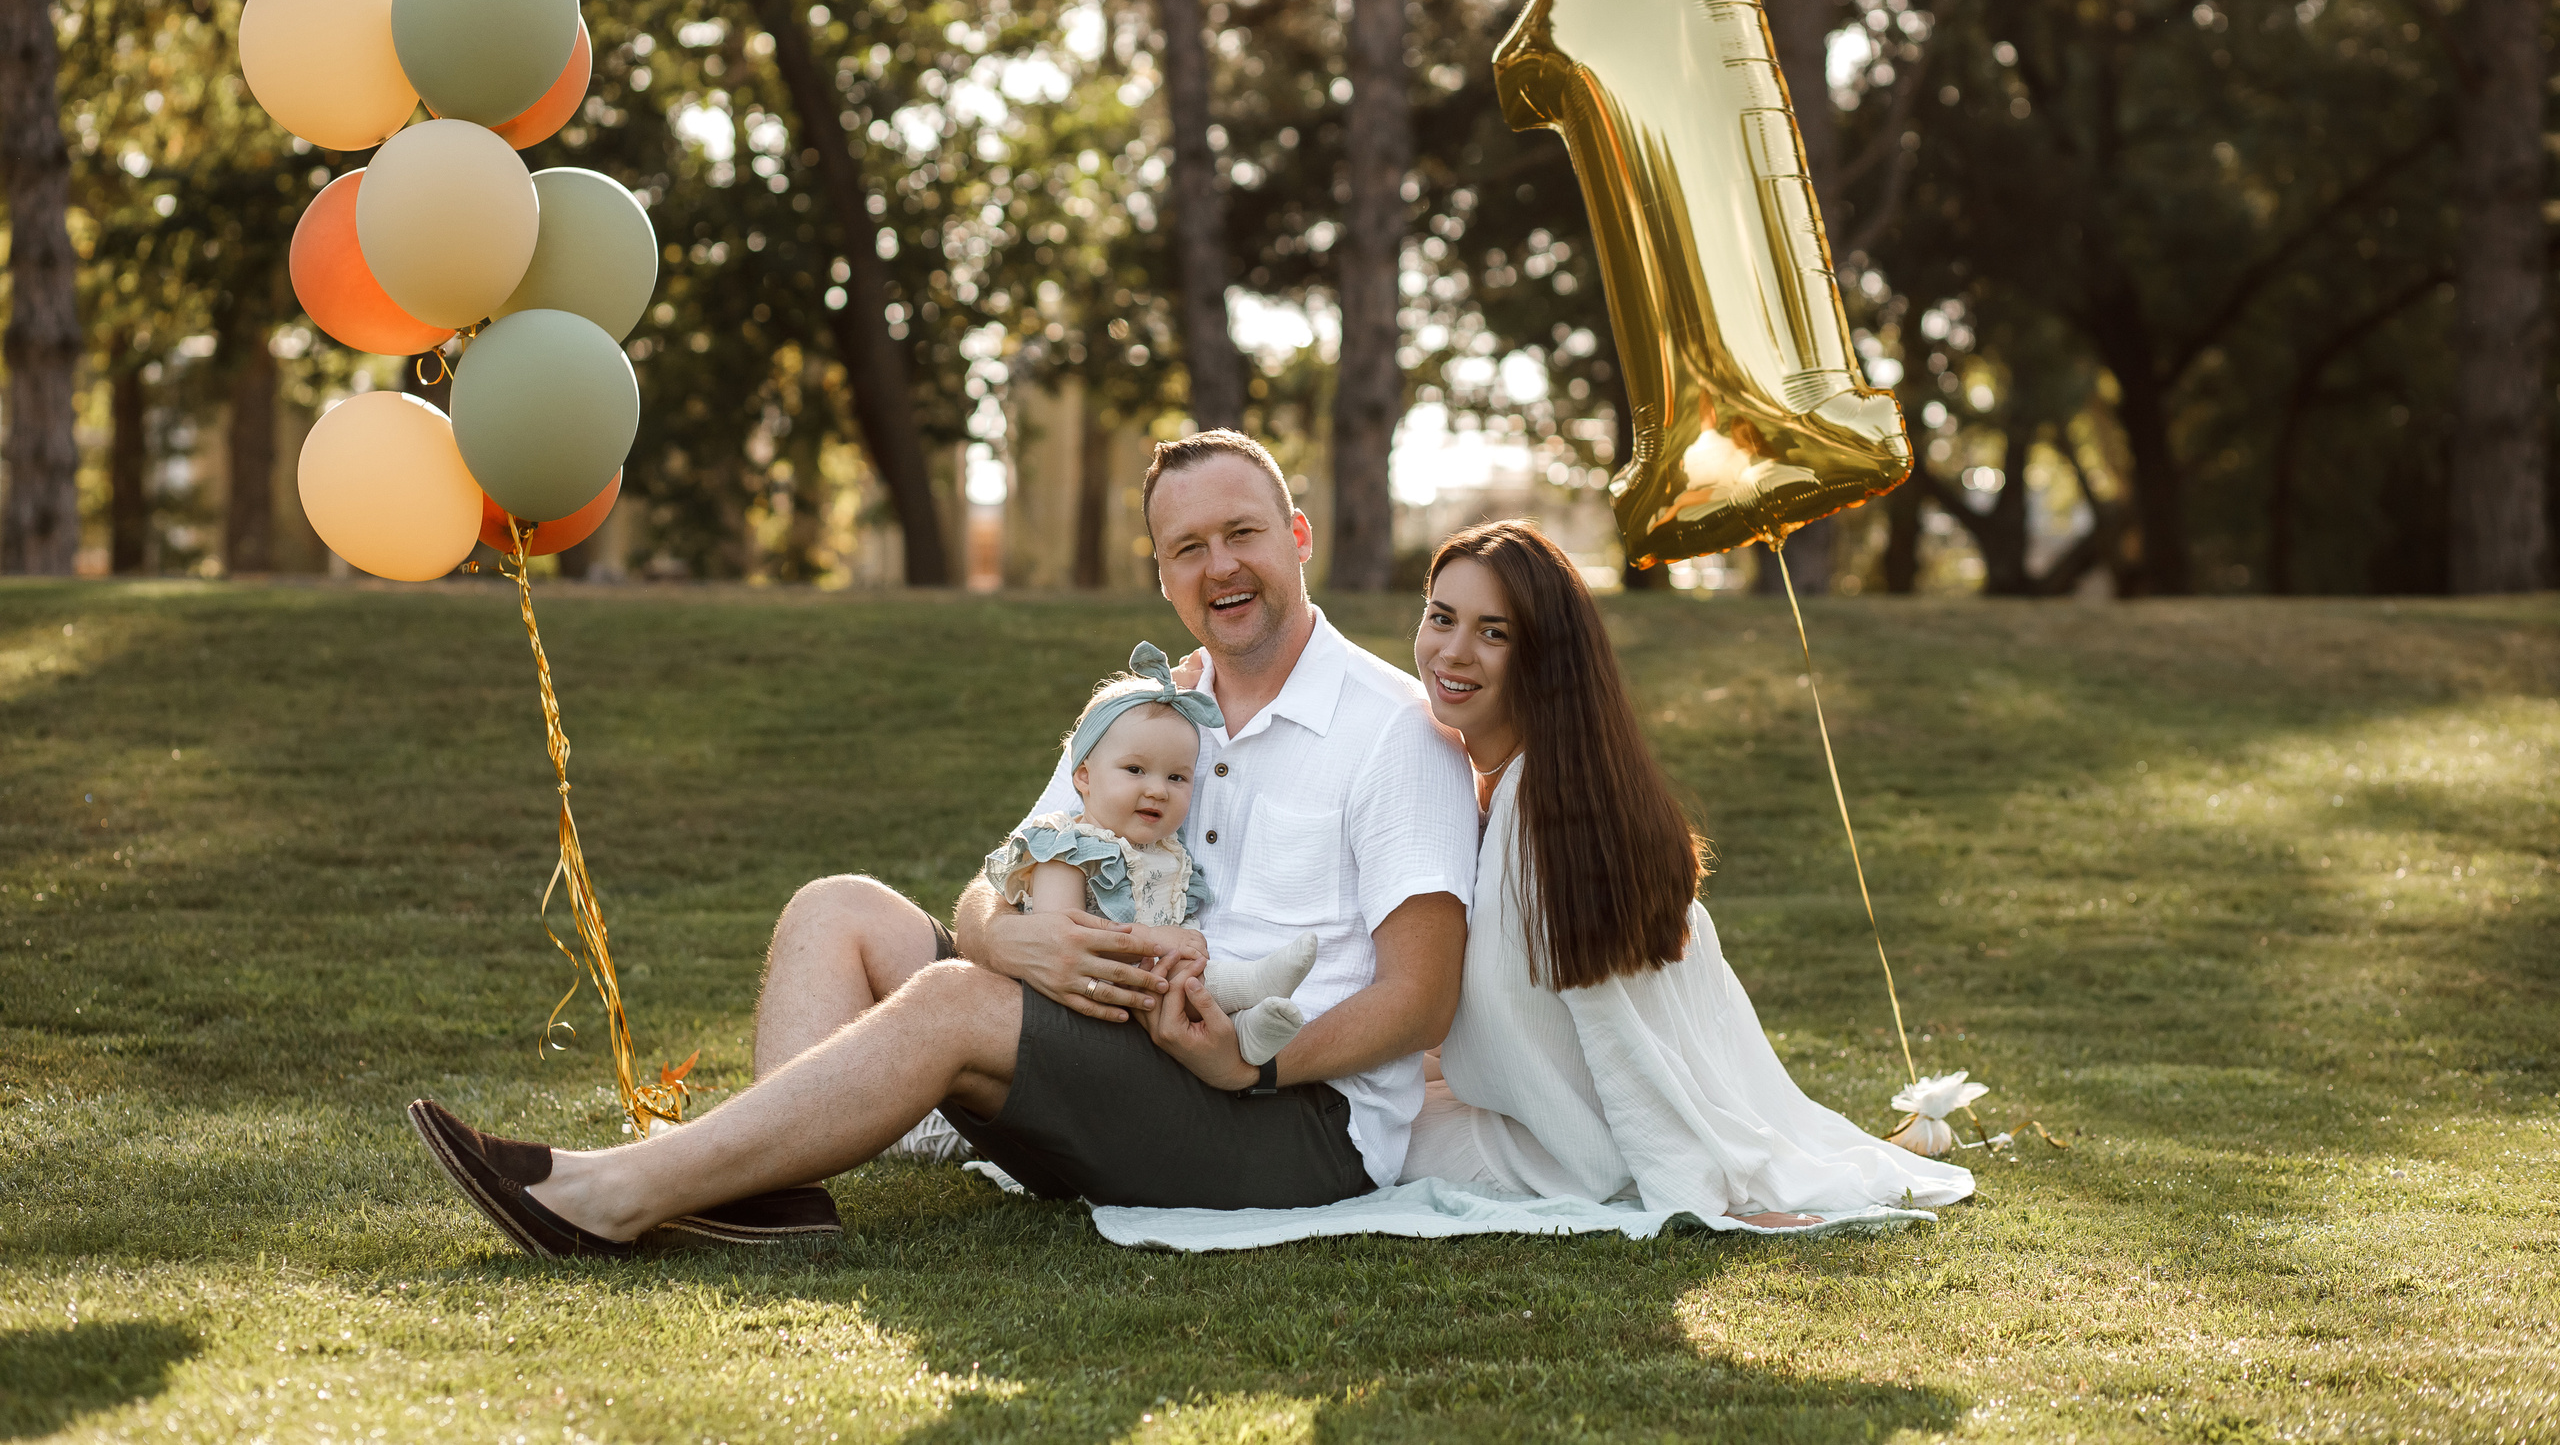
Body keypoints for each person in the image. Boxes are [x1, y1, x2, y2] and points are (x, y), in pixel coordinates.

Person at [406, 430, 1474, 1256]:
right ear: (1162, 575)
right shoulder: (1147, 713)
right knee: (836, 908)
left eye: (1242, 533)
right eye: (1187, 548)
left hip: (1291, 1126)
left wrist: (1251, 1064)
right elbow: (992, 888)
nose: (1220, 565)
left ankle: (612, 1194)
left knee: (955, 1002)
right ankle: (771, 1193)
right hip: (1127, 1053)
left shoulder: (1393, 730)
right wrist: (1009, 941)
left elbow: (1421, 999)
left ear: (1297, 536)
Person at [1397, 519, 1974, 1224]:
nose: (1454, 650)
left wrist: (1689, 1193)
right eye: (1441, 618)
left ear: (1545, 657)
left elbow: (1616, 1029)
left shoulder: (1546, 818)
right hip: (1543, 1111)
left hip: (1569, 1151)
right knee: (1372, 1096)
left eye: (1494, 632)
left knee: (1358, 1136)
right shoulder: (1533, 781)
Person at [983, 641, 1319, 1065]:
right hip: (1071, 1002)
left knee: (1184, 983)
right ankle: (1250, 986)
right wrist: (1160, 940)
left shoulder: (1167, 855)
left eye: (1177, 777)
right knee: (1179, 978)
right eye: (1135, 770)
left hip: (1143, 997)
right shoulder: (1067, 848)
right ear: (1083, 776)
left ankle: (1244, 1029)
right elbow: (1063, 939)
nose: (1158, 790)